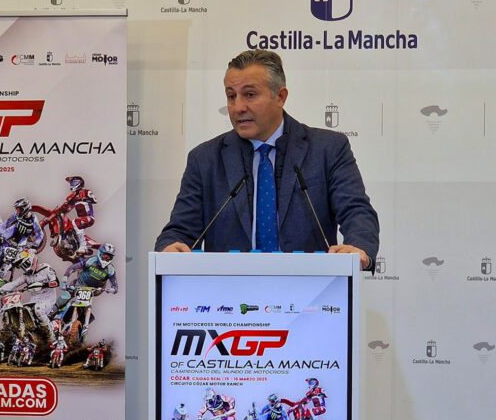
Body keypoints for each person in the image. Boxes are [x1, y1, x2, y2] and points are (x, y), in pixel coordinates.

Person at [155, 49, 378, 270]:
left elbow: (356, 211)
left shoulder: (327, 149)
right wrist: (171, 247)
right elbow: (181, 231)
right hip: (230, 288)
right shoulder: (205, 159)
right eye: (231, 96)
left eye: (250, 95)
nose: (238, 107)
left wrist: (358, 247)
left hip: (310, 286)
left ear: (280, 97)